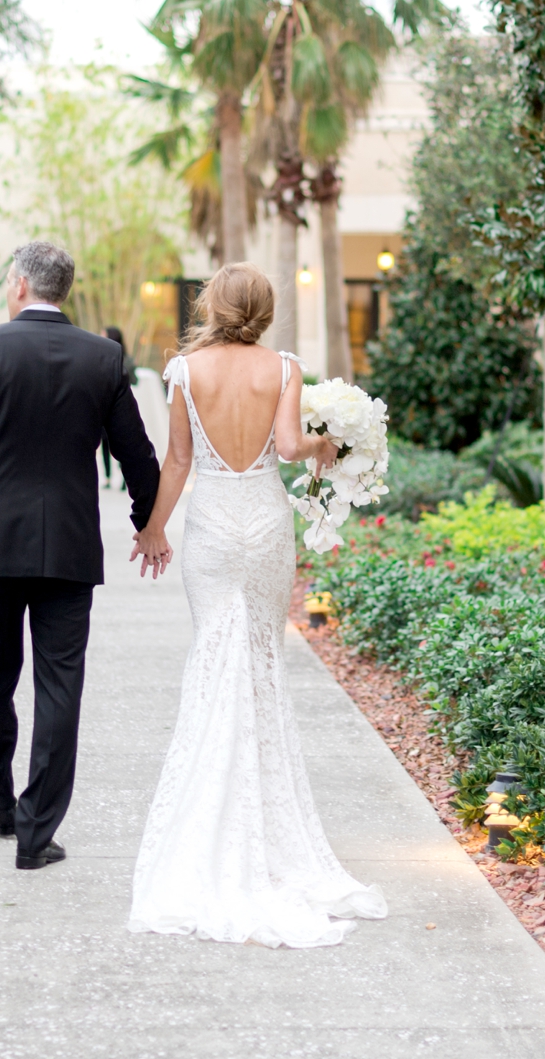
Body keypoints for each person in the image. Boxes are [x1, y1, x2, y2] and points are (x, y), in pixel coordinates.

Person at [126, 263, 388, 947]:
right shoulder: (285, 367)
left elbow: (177, 461)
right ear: (266, 311)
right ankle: (265, 827)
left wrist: (153, 529)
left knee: (215, 652)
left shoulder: (184, 372)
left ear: (212, 305)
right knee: (262, 659)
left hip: (214, 526)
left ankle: (210, 818)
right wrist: (329, 445)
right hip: (266, 524)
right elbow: (290, 448)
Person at [0, 241, 163, 871]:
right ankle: (36, 834)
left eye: (9, 280)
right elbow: (137, 453)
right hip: (69, 546)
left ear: (21, 285)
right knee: (60, 686)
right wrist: (148, 524)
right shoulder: (102, 356)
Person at [100, 325, 131, 488]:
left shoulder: (123, 359)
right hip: (105, 406)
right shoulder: (100, 357)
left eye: (103, 335)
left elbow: (134, 379)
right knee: (106, 444)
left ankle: (122, 477)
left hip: (118, 407)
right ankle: (108, 477)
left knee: (119, 444)